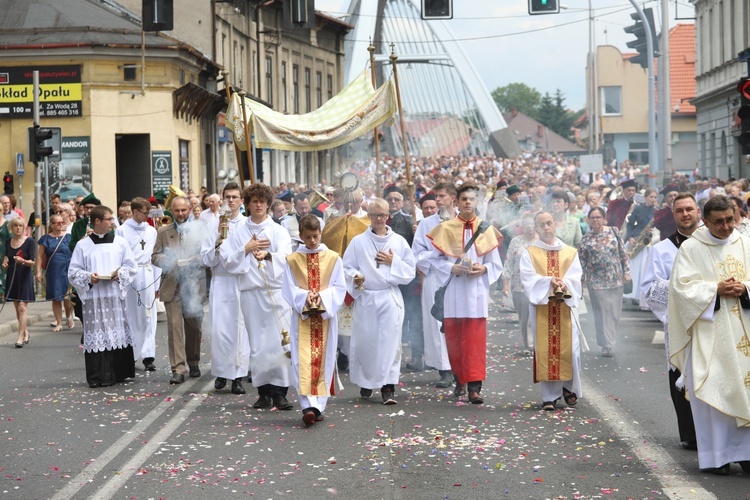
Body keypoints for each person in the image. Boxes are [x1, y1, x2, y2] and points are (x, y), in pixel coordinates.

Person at [668, 194, 750, 474]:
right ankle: (719, 457)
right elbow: (680, 290)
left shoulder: (745, 242)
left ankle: (748, 454)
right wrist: (715, 289)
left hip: (745, 331)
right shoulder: (692, 249)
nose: (726, 227)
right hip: (710, 333)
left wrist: (745, 289)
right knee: (715, 391)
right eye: (719, 222)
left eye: (730, 220)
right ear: (705, 222)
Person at [426, 183, 503, 404]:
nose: (468, 202)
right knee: (454, 339)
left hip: (476, 294)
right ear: (456, 202)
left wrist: (483, 269)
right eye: (464, 199)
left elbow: (495, 264)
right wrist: (451, 267)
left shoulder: (486, 229)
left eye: (471, 199)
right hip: (453, 293)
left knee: (475, 341)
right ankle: (460, 378)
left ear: (477, 202)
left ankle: (475, 387)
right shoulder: (446, 228)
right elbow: (434, 260)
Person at [220, 183, 294, 410]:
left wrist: (268, 255)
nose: (259, 205)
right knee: (259, 345)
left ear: (268, 204)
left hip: (275, 292)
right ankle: (263, 391)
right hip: (251, 293)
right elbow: (226, 257)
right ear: (248, 204)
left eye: (262, 201)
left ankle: (280, 392)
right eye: (254, 201)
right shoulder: (239, 231)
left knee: (279, 343)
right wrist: (246, 247)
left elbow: (288, 256)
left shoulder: (278, 230)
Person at [641, 193, 700, 450]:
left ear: (698, 212)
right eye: (680, 211)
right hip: (679, 325)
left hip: (715, 319)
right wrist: (684, 293)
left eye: (690, 209)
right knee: (682, 370)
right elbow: (650, 287)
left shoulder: (713, 244)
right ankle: (691, 432)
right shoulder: (661, 250)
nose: (685, 214)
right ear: (673, 215)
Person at [343, 198, 416, 405]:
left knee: (389, 343)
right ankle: (367, 381)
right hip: (366, 296)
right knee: (366, 341)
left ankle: (388, 387)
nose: (378, 219)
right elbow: (347, 267)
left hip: (388, 296)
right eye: (374, 215)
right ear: (369, 216)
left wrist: (394, 262)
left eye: (382, 215)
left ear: (388, 216)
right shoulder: (358, 241)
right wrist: (356, 276)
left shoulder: (399, 242)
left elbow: (410, 271)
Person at [281, 214, 346, 426]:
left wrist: (323, 297)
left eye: (316, 236)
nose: (312, 241)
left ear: (321, 234)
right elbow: (288, 288)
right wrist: (304, 296)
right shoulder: (292, 260)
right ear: (300, 236)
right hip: (303, 317)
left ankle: (319, 405)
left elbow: (340, 287)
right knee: (303, 360)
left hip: (325, 317)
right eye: (308, 237)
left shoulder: (334, 258)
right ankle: (308, 405)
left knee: (324, 358)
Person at [520, 211, 583, 411]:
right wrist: (549, 281)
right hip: (542, 310)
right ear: (536, 229)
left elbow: (576, 278)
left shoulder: (570, 252)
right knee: (546, 350)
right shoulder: (529, 252)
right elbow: (528, 278)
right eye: (542, 225)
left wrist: (565, 284)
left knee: (570, 350)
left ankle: (568, 387)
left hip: (564, 307)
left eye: (549, 223)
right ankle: (550, 396)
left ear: (555, 225)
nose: (546, 228)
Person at [68, 206, 137, 388]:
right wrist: (88, 277)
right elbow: (73, 272)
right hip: (95, 298)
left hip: (114, 296)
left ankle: (119, 373)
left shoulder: (120, 242)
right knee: (98, 335)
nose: (112, 222)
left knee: (117, 333)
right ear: (97, 221)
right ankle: (99, 376)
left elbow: (131, 266)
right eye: (109, 219)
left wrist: (120, 273)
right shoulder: (83, 245)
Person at [151, 196, 207, 385]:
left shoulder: (200, 229)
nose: (180, 214)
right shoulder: (163, 231)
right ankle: (178, 368)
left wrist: (198, 260)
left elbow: (208, 254)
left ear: (189, 209)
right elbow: (155, 255)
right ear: (171, 211)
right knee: (174, 328)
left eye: (184, 210)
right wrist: (164, 260)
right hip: (172, 285)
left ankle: (193, 361)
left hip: (194, 284)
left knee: (194, 327)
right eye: (177, 210)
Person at [200, 183, 249, 395]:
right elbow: (205, 257)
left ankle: (238, 375)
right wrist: (218, 243)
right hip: (220, 280)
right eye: (227, 197)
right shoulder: (213, 225)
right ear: (222, 199)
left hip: (239, 281)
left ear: (241, 200)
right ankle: (222, 372)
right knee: (220, 329)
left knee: (239, 329)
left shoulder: (247, 225)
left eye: (235, 197)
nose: (231, 200)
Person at [412, 183, 456, 388]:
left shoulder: (462, 221)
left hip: (459, 278)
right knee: (437, 323)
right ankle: (444, 368)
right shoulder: (426, 224)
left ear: (453, 198)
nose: (437, 200)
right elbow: (417, 255)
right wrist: (437, 255)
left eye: (442, 196)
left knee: (458, 321)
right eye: (436, 196)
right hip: (435, 278)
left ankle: (460, 366)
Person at [116, 197, 160, 372]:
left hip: (148, 274)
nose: (148, 215)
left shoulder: (152, 231)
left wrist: (157, 283)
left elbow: (155, 257)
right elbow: (118, 256)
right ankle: (132, 354)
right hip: (130, 276)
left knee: (149, 315)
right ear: (135, 212)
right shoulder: (121, 231)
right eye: (145, 212)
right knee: (132, 315)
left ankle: (148, 355)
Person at [578, 207, 629, 357]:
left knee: (614, 313)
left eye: (598, 217)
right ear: (588, 220)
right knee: (602, 313)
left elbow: (623, 254)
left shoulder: (614, 232)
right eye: (592, 217)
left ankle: (610, 339)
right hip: (596, 282)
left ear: (604, 218)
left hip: (615, 279)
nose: (595, 220)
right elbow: (582, 262)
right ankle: (606, 344)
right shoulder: (586, 239)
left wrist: (627, 272)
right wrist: (580, 281)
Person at [502, 212, 537, 352]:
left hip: (537, 284)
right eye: (526, 224)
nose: (529, 226)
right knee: (524, 317)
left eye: (532, 223)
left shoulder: (542, 240)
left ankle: (535, 344)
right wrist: (505, 283)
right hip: (518, 285)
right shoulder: (516, 241)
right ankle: (529, 343)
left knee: (536, 316)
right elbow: (509, 262)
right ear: (522, 226)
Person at [36, 213, 74, 332]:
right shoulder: (46, 238)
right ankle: (59, 323)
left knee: (68, 296)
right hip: (53, 271)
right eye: (58, 222)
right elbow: (39, 256)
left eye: (62, 222)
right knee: (56, 297)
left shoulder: (69, 237)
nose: (61, 224)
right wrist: (38, 272)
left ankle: (68, 316)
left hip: (67, 269)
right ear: (51, 225)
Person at [4, 217, 36, 347]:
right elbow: (7, 255)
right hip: (12, 277)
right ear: (11, 228)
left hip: (25, 277)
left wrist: (23, 261)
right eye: (16, 226)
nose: (18, 228)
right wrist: (5, 261)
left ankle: (19, 337)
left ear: (23, 228)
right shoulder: (8, 242)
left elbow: (32, 262)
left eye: (20, 226)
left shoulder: (29, 241)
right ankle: (26, 332)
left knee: (23, 307)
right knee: (18, 308)